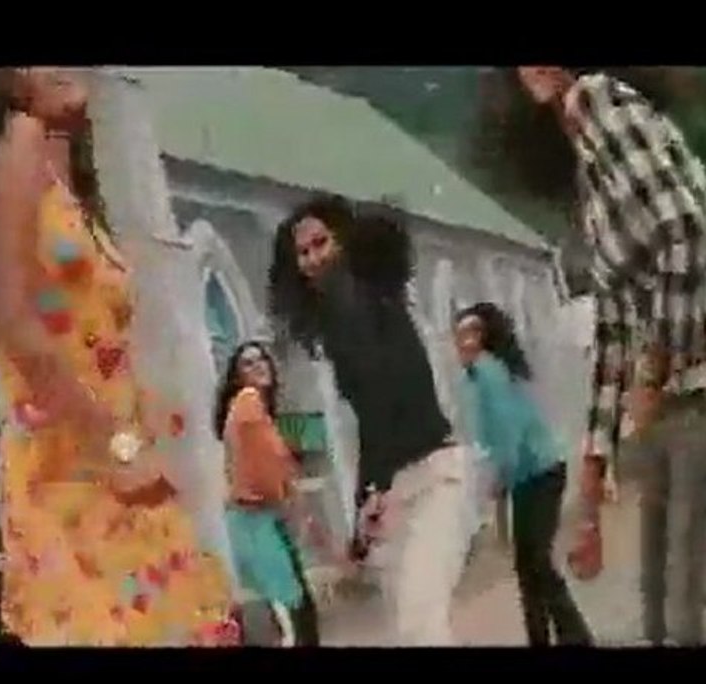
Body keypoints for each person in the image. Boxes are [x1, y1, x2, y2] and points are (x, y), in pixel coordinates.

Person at [0, 67, 237, 647]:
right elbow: (13, 319)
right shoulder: (21, 138)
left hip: (112, 465)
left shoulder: (65, 167)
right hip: (70, 471)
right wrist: (115, 445)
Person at [517, 66, 706, 646]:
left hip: (692, 391)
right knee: (660, 615)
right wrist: (592, 482)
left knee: (683, 616)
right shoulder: (589, 163)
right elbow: (613, 330)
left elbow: (686, 230)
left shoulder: (600, 101)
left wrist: (657, 367)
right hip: (670, 403)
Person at [269, 194, 471, 646]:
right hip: (399, 484)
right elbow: (371, 419)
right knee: (410, 624)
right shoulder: (340, 325)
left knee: (420, 622)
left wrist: (372, 493)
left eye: (321, 243)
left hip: (434, 473)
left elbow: (397, 400)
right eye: (302, 253)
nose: (313, 259)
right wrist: (369, 498)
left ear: (345, 240)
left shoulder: (374, 306)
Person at [455, 303, 592, 646]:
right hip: (533, 473)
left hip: (539, 472)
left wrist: (497, 477)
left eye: (472, 333)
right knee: (529, 565)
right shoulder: (484, 372)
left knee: (536, 563)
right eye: (459, 334)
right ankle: (545, 636)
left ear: (485, 337)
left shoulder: (487, 370)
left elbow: (508, 431)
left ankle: (574, 636)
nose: (463, 342)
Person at [213, 340, 320, 646]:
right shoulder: (248, 402)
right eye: (248, 363)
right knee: (292, 613)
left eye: (262, 359)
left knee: (294, 610)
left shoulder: (251, 408)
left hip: (257, 519)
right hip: (255, 519)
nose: (259, 365)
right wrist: (287, 502)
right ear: (237, 378)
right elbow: (265, 468)